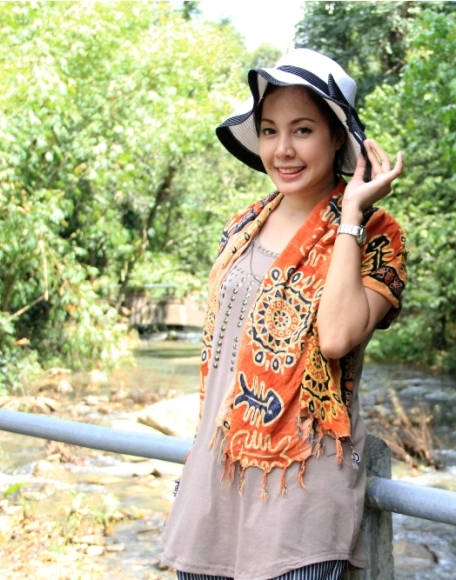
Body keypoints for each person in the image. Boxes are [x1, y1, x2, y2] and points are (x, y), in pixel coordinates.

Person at [160, 48, 407, 580]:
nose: (283, 149)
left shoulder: (377, 235)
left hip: (300, 495)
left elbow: (336, 337)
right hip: (213, 487)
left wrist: (351, 214)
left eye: (303, 130)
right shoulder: (243, 226)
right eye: (269, 131)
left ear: (337, 137)